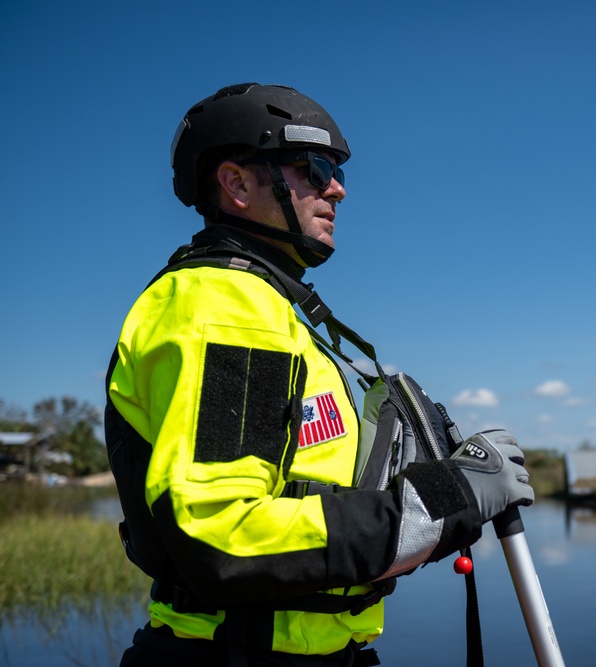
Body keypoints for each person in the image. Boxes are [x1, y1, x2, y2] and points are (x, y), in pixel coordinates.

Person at [105, 82, 534, 667]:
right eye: (314, 166)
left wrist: (446, 493)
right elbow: (222, 537)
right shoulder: (226, 308)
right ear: (236, 184)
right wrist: (451, 495)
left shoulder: (278, 313)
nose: (337, 188)